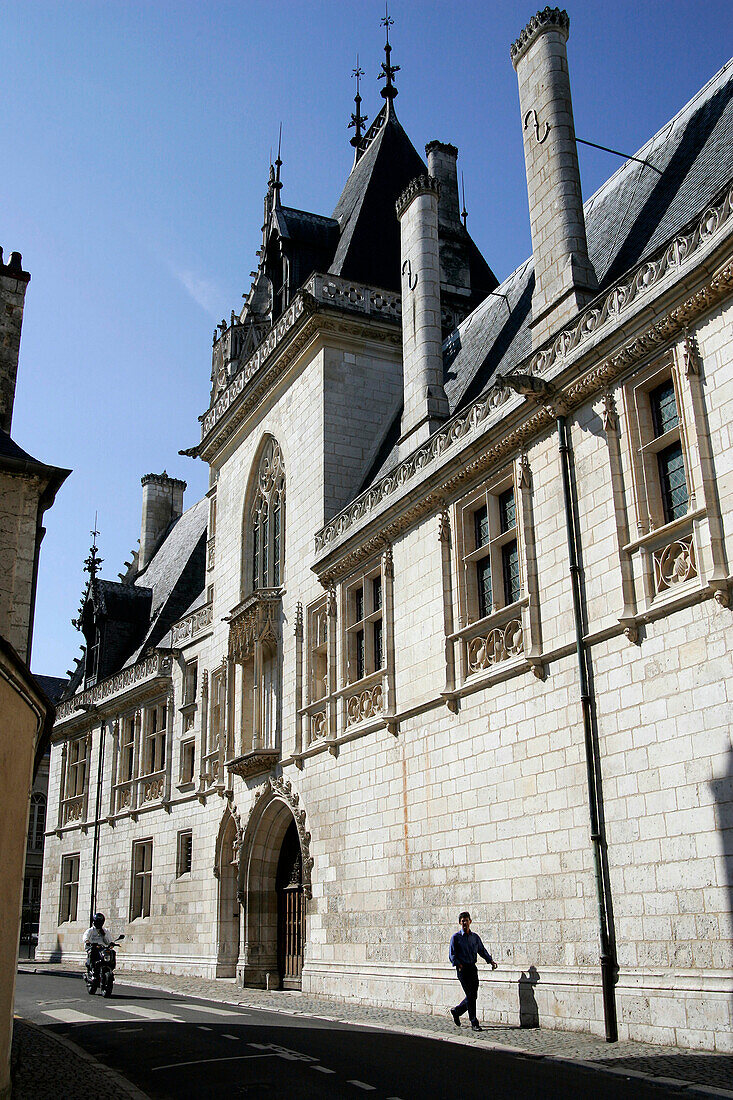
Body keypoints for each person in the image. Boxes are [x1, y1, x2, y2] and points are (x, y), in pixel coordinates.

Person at [448, 911, 497, 1031]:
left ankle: (457, 1011)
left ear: (470, 921)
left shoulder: (475, 937)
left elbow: (481, 950)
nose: (465, 922)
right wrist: (458, 964)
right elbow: (452, 954)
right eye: (462, 920)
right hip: (462, 969)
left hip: (472, 968)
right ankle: (474, 1021)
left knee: (473, 995)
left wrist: (490, 960)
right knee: (470, 995)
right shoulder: (456, 937)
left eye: (466, 920)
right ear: (460, 923)